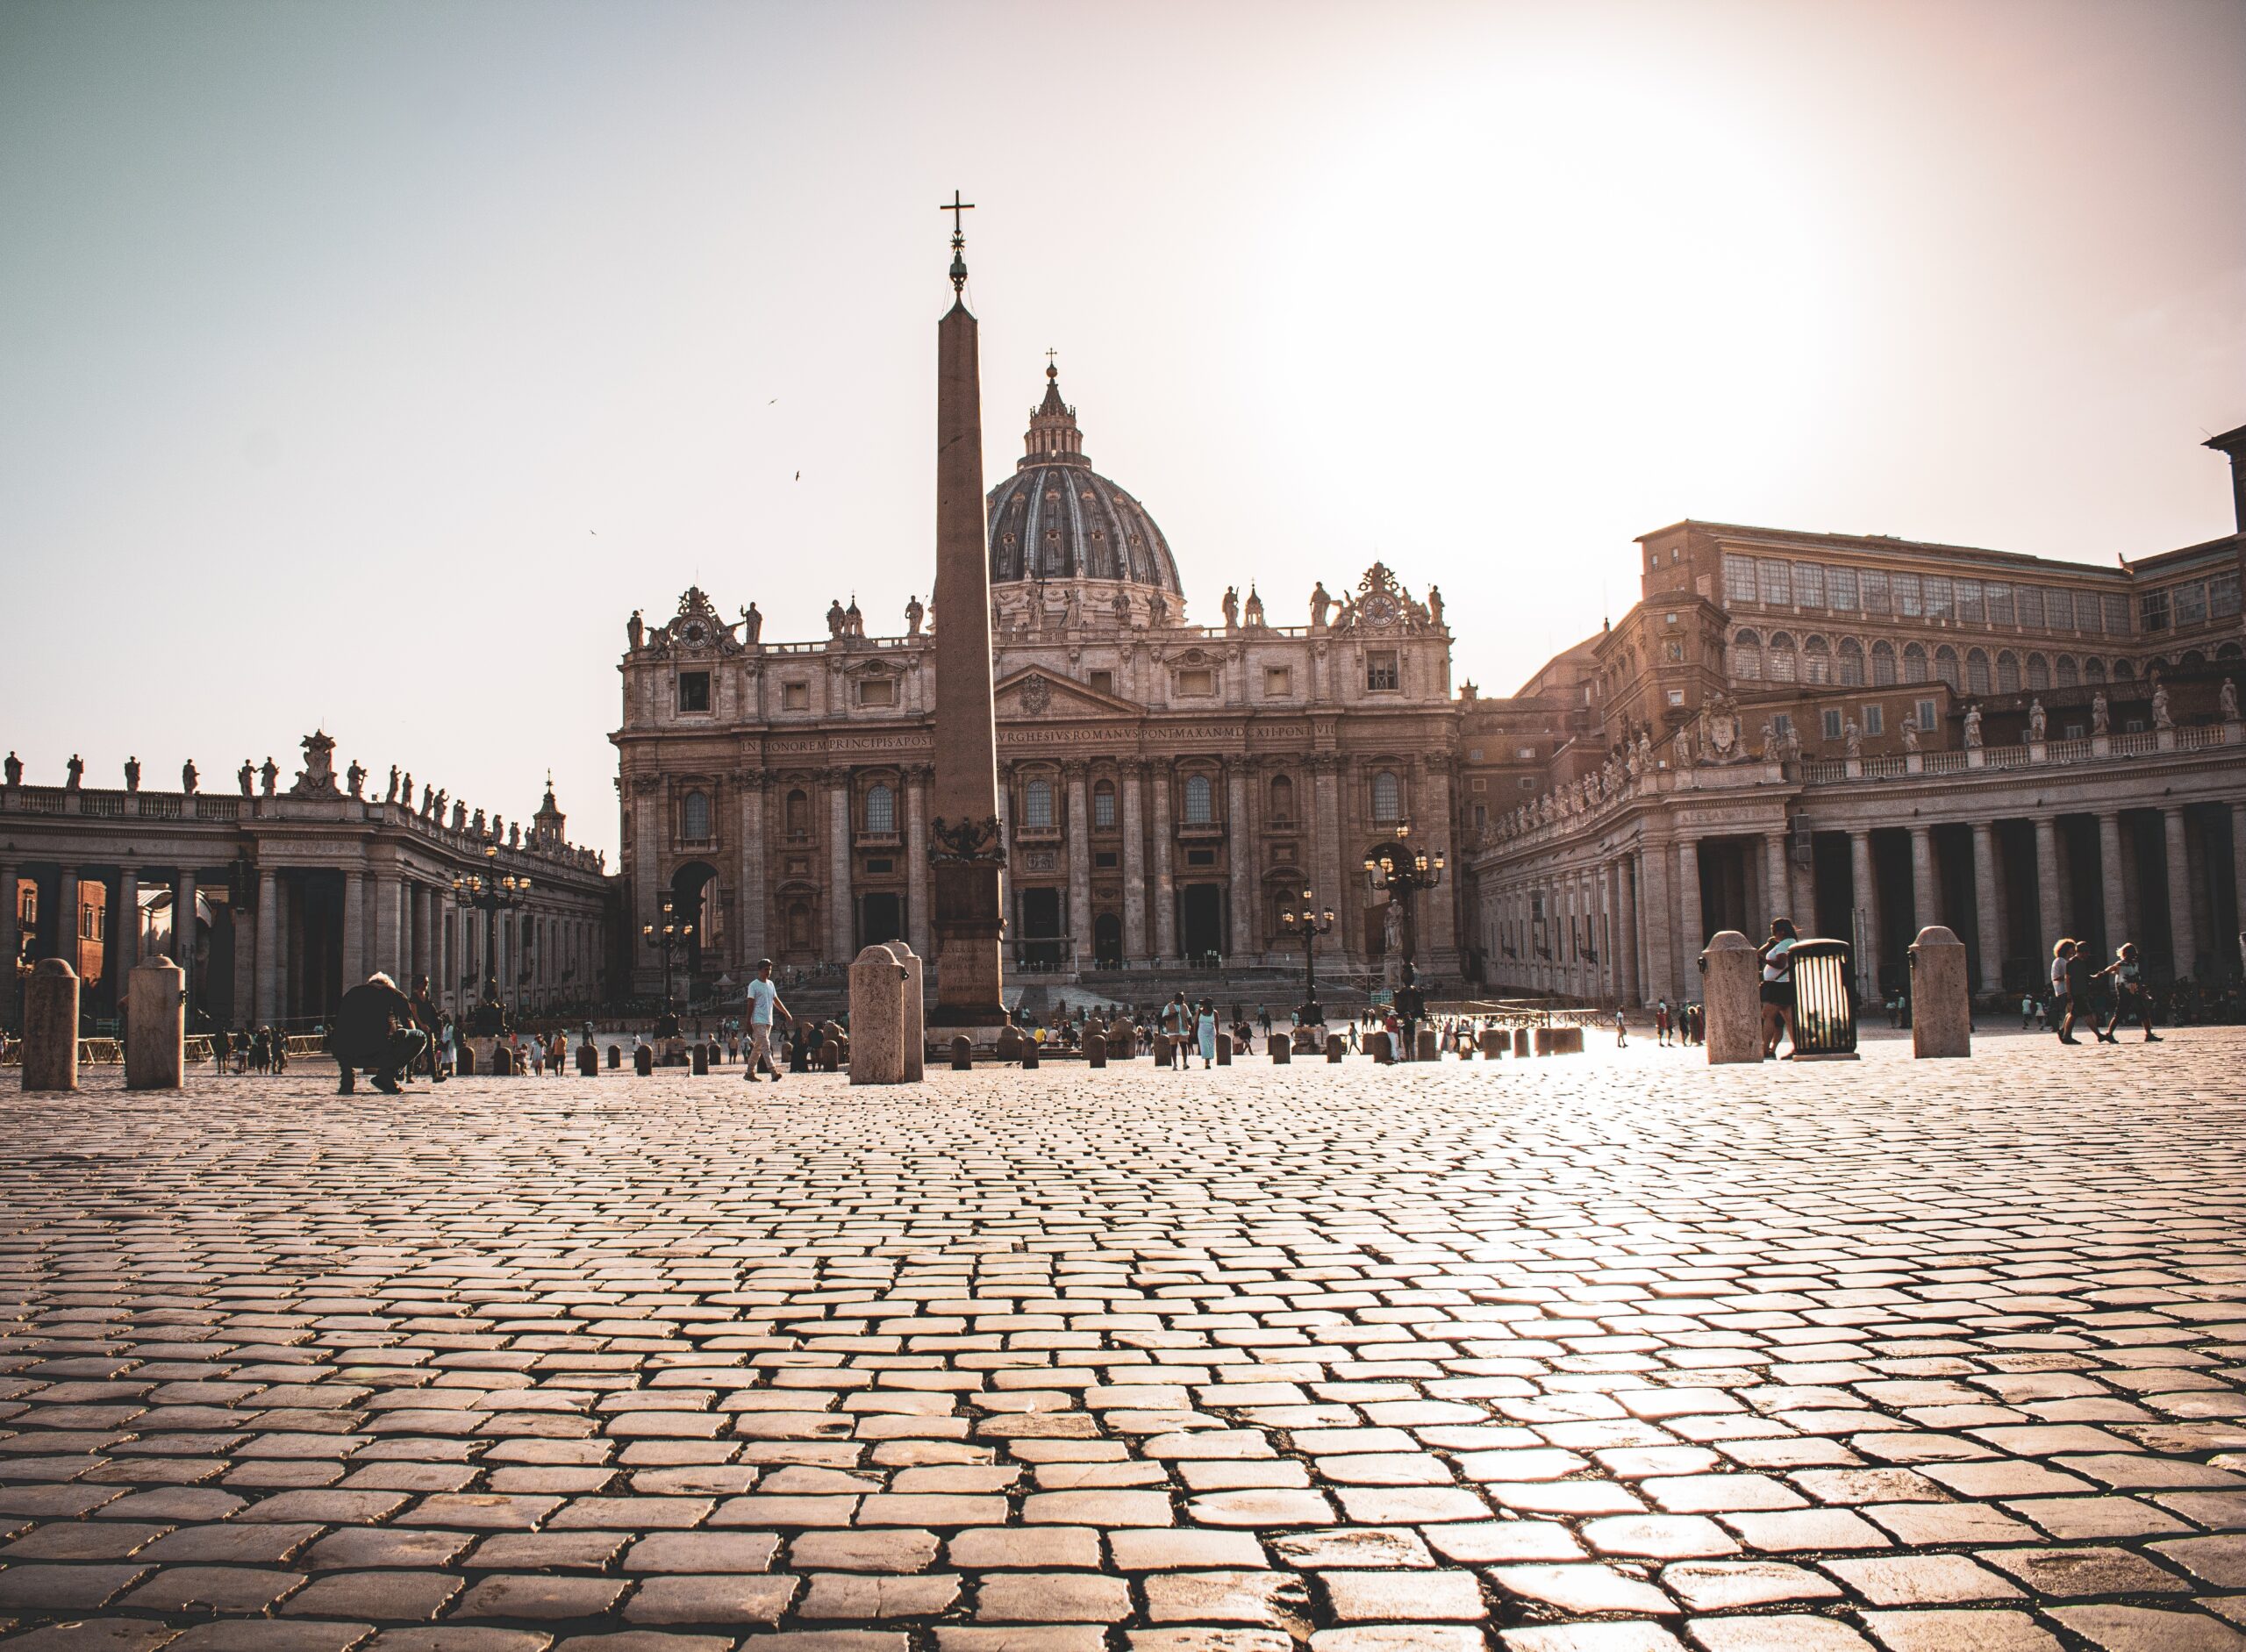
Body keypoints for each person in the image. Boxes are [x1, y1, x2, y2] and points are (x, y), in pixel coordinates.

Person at [333, 971, 427, 1095]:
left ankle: (347, 1080)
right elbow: (410, 1026)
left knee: (344, 1036)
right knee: (420, 1036)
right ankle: (387, 1075)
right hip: (379, 1052)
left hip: (348, 1054)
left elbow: (340, 1026)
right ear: (388, 985)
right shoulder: (395, 994)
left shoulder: (352, 993)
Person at [2093, 943, 2160, 1043]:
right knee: (2119, 1014)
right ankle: (2109, 1034)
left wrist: (2142, 990)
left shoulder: (2135, 964)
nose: (2134, 955)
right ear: (2125, 954)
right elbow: (2112, 968)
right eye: (2131, 953)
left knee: (2143, 1013)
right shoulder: (2121, 964)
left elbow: (2137, 978)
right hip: (2124, 992)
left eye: (2134, 953)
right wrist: (2103, 973)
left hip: (2134, 991)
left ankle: (2149, 1034)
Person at [742, 958, 793, 1082]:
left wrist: (786, 1012)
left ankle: (749, 1073)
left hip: (768, 1020)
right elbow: (750, 1004)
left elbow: (775, 1000)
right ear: (760, 970)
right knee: (766, 1046)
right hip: (757, 1019)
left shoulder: (771, 984)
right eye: (766, 969)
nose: (768, 972)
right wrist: (748, 1022)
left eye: (770, 969)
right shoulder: (753, 985)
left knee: (758, 1048)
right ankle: (773, 1071)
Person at [1758, 919, 1799, 1059]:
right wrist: (1770, 944)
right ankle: (1797, 1048)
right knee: (1789, 1019)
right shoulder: (1788, 942)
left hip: (1777, 985)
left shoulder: (1785, 944)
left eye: (1774, 931)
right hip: (1785, 984)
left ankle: (1765, 1050)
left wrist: (1764, 960)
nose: (1773, 933)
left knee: (1768, 1016)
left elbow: (1781, 964)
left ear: (1782, 931)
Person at [410, 974, 445, 1083]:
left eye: (427, 982)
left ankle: (435, 1075)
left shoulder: (427, 996)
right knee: (414, 1051)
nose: (427, 984)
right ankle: (408, 1075)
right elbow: (414, 1013)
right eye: (425, 982)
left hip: (428, 1028)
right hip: (417, 1027)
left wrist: (438, 1015)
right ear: (419, 984)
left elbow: (431, 1010)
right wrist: (421, 1025)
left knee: (430, 1051)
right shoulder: (414, 996)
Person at [2050, 940, 2082, 1045]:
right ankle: (2065, 1033)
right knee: (2072, 1012)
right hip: (2064, 990)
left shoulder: (2063, 961)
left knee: (2070, 1012)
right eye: (2072, 948)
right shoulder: (2060, 961)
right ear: (2066, 949)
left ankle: (2064, 1032)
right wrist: (2071, 976)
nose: (2074, 950)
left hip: (2065, 990)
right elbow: (2057, 977)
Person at [1195, 998, 1218, 1069]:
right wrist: (1194, 1031)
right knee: (1204, 1045)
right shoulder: (1199, 1011)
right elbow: (1196, 1022)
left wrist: (1217, 1032)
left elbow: (1217, 1023)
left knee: (1210, 1045)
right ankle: (1207, 1063)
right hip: (1202, 1030)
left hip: (1211, 1030)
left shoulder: (1214, 1012)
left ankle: (1208, 1060)